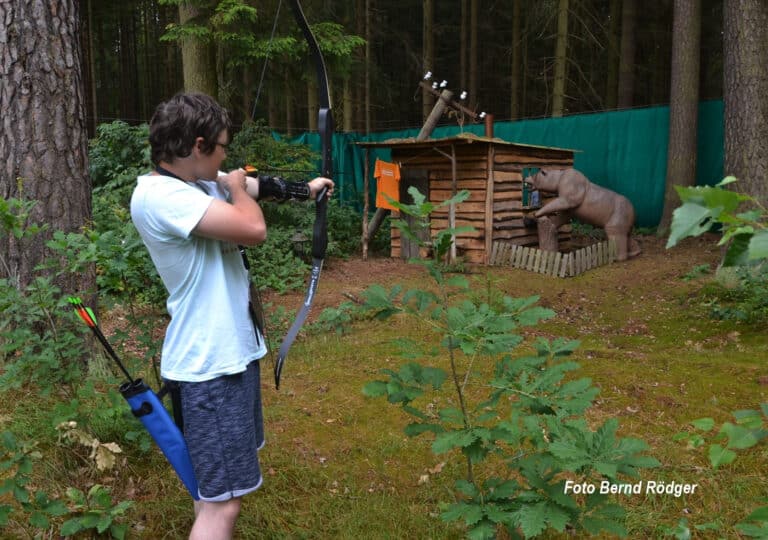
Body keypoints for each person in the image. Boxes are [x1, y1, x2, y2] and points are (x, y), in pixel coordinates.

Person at [130, 92, 334, 540]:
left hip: (227, 357)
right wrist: (238, 188)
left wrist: (306, 189)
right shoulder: (162, 196)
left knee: (215, 493)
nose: (227, 156)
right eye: (222, 146)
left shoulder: (190, 181)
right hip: (209, 366)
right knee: (221, 505)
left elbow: (254, 186)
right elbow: (252, 227)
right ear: (198, 145)